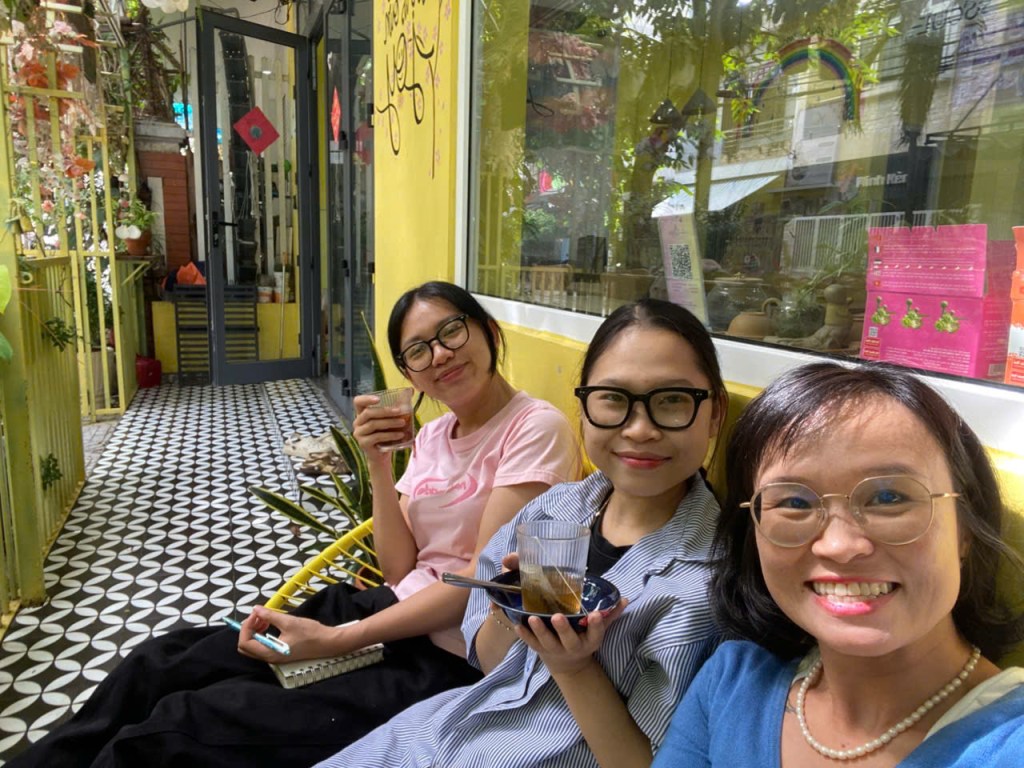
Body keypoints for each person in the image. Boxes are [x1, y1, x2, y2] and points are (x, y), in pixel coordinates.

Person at [9, 281, 579, 768]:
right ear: (409, 373)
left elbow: (483, 587)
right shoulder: (432, 435)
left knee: (177, 728)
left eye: (451, 331)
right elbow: (399, 567)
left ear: (488, 331)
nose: (441, 355)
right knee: (159, 663)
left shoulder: (534, 428)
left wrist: (334, 640)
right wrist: (379, 465)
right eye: (418, 351)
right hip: (381, 610)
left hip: (444, 659)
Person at [316, 297, 728, 768]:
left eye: (672, 400)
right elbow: (492, 664)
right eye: (613, 399)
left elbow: (646, 761)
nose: (639, 429)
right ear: (584, 407)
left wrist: (573, 667)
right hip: (442, 730)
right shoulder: (554, 511)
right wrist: (508, 606)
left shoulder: (705, 588)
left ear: (714, 413)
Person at [654, 362, 1024, 767]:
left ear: (965, 529)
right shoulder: (732, 684)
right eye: (795, 502)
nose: (840, 546)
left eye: (888, 498)